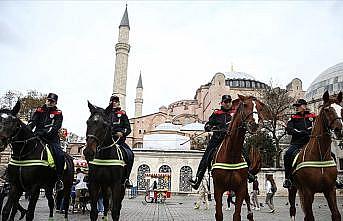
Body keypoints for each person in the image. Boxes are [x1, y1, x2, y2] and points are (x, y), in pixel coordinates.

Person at [190, 95, 234, 190]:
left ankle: (249, 173)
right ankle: (197, 179)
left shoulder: (234, 114)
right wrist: (210, 127)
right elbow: (208, 124)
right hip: (217, 139)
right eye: (226, 102)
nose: (227, 104)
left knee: (244, 150)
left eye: (229, 102)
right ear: (222, 103)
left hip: (231, 139)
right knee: (207, 156)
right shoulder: (216, 114)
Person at [27, 92, 65, 191]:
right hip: (37, 135)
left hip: (51, 138)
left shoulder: (58, 113)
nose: (49, 102)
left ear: (55, 102)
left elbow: (56, 127)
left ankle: (59, 179)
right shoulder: (39, 110)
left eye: (52, 101)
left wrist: (45, 133)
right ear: (46, 100)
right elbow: (33, 121)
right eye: (48, 100)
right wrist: (27, 130)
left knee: (60, 155)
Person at [283, 99, 315, 188]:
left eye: (298, 106)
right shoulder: (293, 118)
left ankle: (334, 179)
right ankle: (288, 178)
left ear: (304, 106)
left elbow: (317, 126)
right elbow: (289, 129)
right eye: (296, 106)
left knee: (330, 154)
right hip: (297, 142)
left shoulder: (313, 116)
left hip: (310, 141)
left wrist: (310, 131)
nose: (297, 108)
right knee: (287, 154)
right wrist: (300, 132)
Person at [107, 95, 134, 188]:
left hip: (119, 141)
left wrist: (122, 133)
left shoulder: (122, 114)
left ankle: (126, 178)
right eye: (112, 101)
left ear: (118, 103)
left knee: (130, 154)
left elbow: (128, 128)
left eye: (115, 101)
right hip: (106, 141)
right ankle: (90, 175)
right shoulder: (105, 114)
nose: (114, 103)